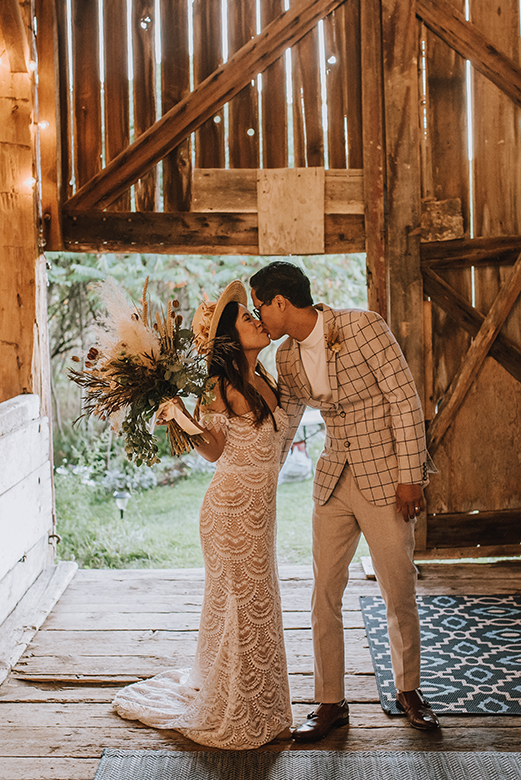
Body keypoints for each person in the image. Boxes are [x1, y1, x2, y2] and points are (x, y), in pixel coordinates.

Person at [249, 261, 440, 741]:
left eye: (259, 306)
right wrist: (257, 468)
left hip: (387, 479)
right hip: (332, 481)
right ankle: (330, 701)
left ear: (280, 302)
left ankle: (409, 690)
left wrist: (410, 476)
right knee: (323, 594)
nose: (259, 317)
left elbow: (404, 399)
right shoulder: (287, 359)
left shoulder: (362, 325)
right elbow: (288, 419)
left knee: (398, 588)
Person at [113, 281, 293, 749]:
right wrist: (179, 415)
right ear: (230, 340)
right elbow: (212, 451)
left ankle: (263, 706)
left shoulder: (266, 379)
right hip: (230, 513)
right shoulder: (221, 384)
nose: (256, 319)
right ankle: (237, 707)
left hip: (259, 512)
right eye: (246, 318)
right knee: (241, 608)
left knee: (259, 605)